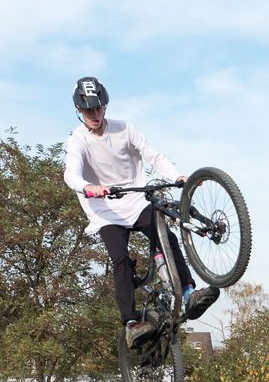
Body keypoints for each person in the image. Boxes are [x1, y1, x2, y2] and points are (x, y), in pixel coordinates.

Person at [63, 76, 219, 348]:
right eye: (89, 111)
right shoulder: (78, 141)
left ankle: (189, 291)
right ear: (79, 111)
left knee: (166, 236)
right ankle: (131, 323)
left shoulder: (126, 130)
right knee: (120, 259)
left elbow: (154, 157)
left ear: (105, 107)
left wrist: (179, 176)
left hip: (135, 201)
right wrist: (90, 187)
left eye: (99, 109)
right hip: (105, 211)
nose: (95, 115)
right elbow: (71, 173)